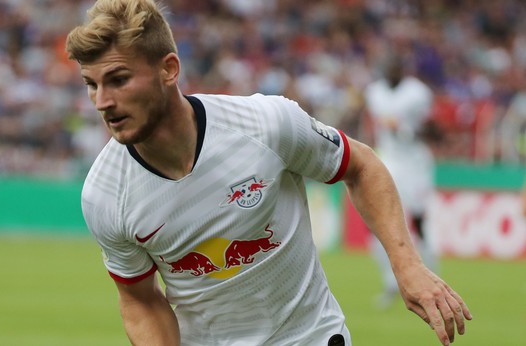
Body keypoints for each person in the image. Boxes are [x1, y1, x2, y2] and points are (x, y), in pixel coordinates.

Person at [65, 1, 472, 345]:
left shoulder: (265, 124)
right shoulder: (103, 194)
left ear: (169, 69)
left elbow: (361, 166)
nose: (102, 102)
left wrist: (408, 266)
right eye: (91, 84)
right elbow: (139, 299)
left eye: (118, 80)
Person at [362, 55, 441, 309]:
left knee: (418, 222)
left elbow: (433, 130)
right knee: (377, 219)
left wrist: (404, 129)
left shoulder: (418, 93)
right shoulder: (374, 92)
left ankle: (432, 278)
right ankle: (390, 282)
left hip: (415, 162)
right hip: (388, 160)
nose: (393, 71)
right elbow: (372, 124)